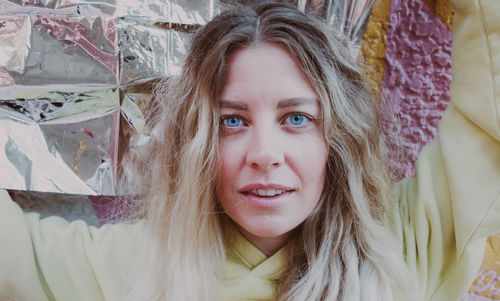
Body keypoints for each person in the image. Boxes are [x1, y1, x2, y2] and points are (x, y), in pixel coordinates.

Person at [0, 0, 499, 300]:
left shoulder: (406, 247)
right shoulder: (131, 268)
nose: (264, 153)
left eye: (296, 119)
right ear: (197, 146)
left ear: (337, 141)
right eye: (232, 121)